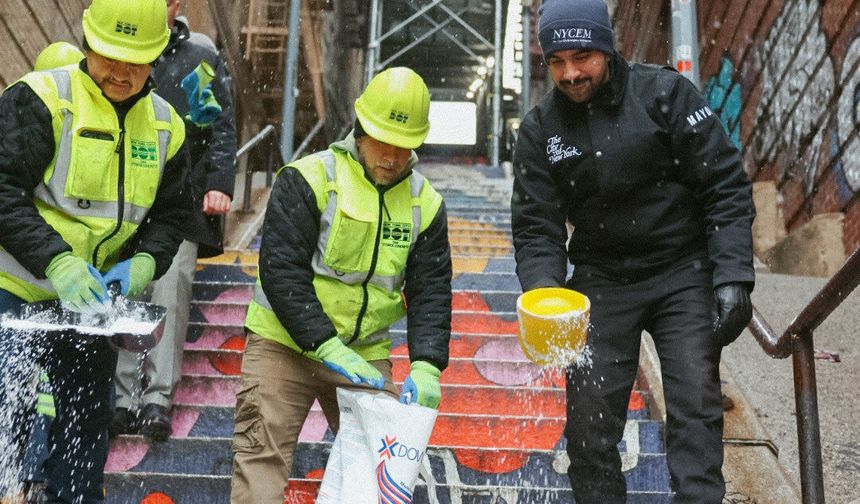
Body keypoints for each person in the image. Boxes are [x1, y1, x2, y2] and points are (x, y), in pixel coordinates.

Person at [510, 1, 755, 503]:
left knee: (695, 408)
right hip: (601, 280)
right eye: (557, 61)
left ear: (606, 45)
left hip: (682, 271)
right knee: (589, 428)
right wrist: (543, 291)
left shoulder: (665, 93)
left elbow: (724, 185)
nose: (570, 72)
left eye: (582, 57)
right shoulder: (540, 130)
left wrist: (732, 275)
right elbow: (537, 226)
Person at [230, 66, 452, 503]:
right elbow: (281, 271)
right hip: (283, 344)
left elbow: (431, 289)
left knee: (380, 479)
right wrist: (324, 344)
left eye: (404, 147)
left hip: (363, 355)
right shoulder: (310, 177)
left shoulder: (426, 205)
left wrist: (427, 363)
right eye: (383, 141)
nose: (391, 155)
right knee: (260, 463)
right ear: (361, 127)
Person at [0, 0, 192, 502]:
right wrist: (56, 260)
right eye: (109, 55)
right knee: (3, 420)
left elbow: (173, 215)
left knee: (84, 432)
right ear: (88, 42)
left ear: (157, 56)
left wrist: (147, 261)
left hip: (92, 307)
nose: (120, 73)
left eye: (136, 60)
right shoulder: (41, 99)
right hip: (13, 291)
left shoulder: (168, 127)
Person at [112, 0, 237, 443]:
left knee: (168, 291)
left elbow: (220, 123)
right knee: (127, 292)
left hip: (182, 197)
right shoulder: (120, 43)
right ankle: (123, 398)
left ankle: (156, 399)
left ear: (176, 5)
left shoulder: (199, 54)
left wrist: (219, 182)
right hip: (125, 198)